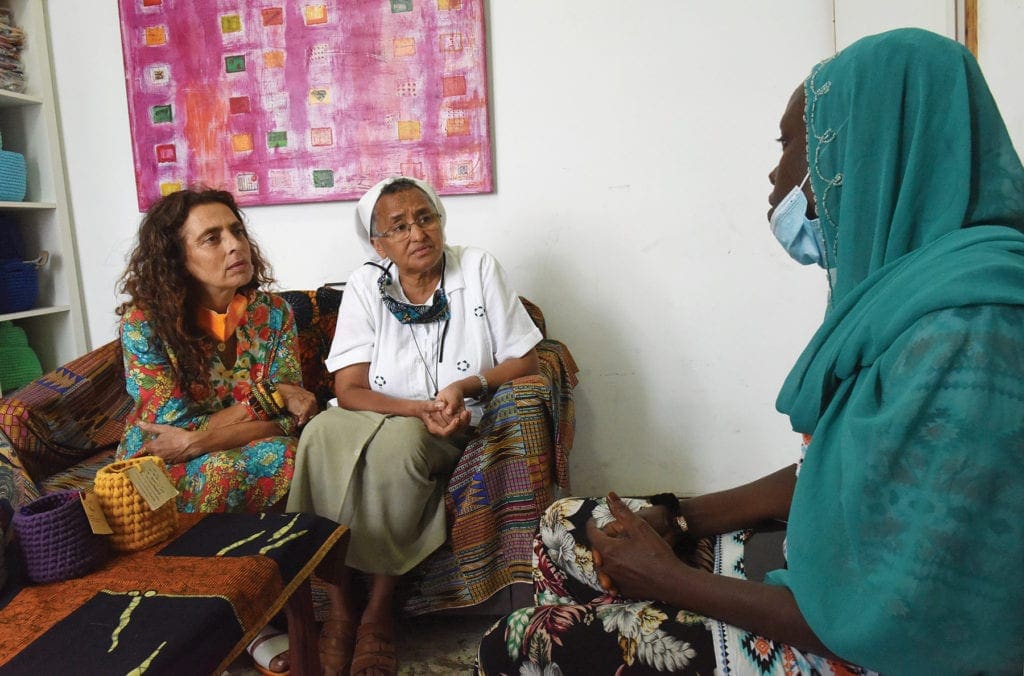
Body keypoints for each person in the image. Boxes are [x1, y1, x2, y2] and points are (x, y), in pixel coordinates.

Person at [478, 28, 1024, 676]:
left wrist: (667, 579)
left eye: (794, 142)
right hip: (847, 576)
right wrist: (683, 517)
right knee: (562, 530)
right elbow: (858, 473)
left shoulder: (971, 334)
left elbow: (903, 621)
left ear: (868, 149)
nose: (777, 171)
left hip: (880, 648)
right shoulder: (921, 285)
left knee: (524, 642)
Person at [286, 175, 543, 675]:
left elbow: (527, 361)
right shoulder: (365, 285)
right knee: (318, 434)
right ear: (379, 243)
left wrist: (465, 386)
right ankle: (340, 609)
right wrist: (413, 408)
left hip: (454, 425)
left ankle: (378, 613)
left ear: (441, 221)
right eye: (398, 226)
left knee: (399, 446)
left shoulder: (478, 267)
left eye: (425, 218)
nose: (417, 233)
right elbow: (349, 390)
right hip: (377, 416)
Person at [116, 187, 318, 675]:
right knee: (275, 455)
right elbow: (170, 434)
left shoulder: (273, 314)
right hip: (155, 473)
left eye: (237, 231)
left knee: (286, 454)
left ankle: (245, 616)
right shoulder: (144, 324)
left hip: (221, 452)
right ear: (177, 258)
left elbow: (295, 417)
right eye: (212, 238)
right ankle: (235, 622)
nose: (235, 245)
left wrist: (202, 438)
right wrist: (268, 398)